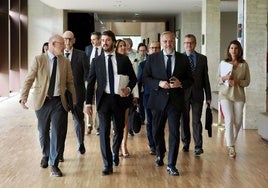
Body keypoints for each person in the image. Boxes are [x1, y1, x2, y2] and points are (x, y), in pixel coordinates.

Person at [19, 34, 76, 177]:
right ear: (52, 44)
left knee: (57, 131)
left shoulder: (65, 61)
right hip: (42, 101)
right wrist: (23, 96)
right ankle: (45, 154)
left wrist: (74, 101)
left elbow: (70, 82)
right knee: (43, 131)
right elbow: (29, 79)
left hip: (59, 101)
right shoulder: (39, 59)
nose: (64, 46)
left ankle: (54, 163)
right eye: (61, 44)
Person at [85, 30, 137, 175]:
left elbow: (133, 79)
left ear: (113, 42)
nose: (104, 43)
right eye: (102, 40)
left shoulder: (123, 59)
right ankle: (107, 164)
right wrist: (88, 103)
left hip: (120, 99)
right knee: (104, 132)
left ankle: (115, 152)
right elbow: (90, 82)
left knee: (119, 130)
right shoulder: (96, 61)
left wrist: (128, 88)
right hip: (103, 100)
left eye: (107, 40)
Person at [143, 31, 193, 176]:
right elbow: (145, 78)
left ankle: (171, 164)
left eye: (171, 41)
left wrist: (180, 83)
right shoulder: (152, 59)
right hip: (157, 101)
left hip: (175, 102)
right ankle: (160, 153)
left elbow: (191, 80)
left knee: (174, 133)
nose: (168, 44)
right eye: (165, 41)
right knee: (156, 131)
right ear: (161, 42)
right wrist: (158, 83)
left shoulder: (183, 59)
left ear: (174, 42)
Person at [217, 40, 250, 158]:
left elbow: (247, 82)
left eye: (236, 48)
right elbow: (218, 80)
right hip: (225, 95)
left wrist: (237, 82)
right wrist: (225, 78)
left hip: (239, 95)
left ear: (239, 50)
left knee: (238, 121)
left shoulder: (244, 64)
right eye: (231, 48)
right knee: (229, 119)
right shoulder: (223, 63)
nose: (233, 50)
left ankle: (231, 142)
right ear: (228, 50)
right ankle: (231, 146)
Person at [181, 34, 212, 155]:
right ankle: (186, 143)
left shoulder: (202, 59)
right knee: (184, 120)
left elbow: (206, 78)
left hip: (198, 94)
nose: (189, 45)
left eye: (191, 43)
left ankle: (198, 146)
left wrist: (208, 96)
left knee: (196, 120)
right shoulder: (180, 58)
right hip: (183, 94)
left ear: (195, 44)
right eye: (186, 43)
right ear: (184, 44)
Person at [61, 30, 89, 158]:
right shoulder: (58, 55)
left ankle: (80, 143)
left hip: (77, 93)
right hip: (60, 95)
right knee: (59, 122)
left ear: (74, 40)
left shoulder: (82, 55)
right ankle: (59, 151)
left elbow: (87, 74)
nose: (67, 42)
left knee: (78, 119)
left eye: (70, 39)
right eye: (65, 39)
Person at [115, 39, 138, 157]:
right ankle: (116, 145)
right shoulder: (112, 61)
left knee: (125, 121)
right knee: (115, 123)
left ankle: (124, 145)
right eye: (120, 46)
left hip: (126, 95)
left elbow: (134, 79)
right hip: (113, 96)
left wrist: (135, 96)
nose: (123, 47)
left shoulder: (129, 61)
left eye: (124, 46)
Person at [137, 41, 160, 155]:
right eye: (152, 48)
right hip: (148, 97)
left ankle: (159, 144)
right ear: (149, 50)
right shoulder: (142, 65)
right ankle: (152, 145)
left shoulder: (165, 63)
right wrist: (136, 98)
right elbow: (139, 82)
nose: (154, 50)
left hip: (162, 97)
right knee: (150, 122)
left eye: (157, 48)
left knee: (159, 122)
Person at [85, 31, 102, 135]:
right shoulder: (88, 49)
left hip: (100, 81)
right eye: (91, 39)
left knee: (99, 103)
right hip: (89, 80)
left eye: (94, 39)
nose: (92, 41)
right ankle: (89, 125)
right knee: (88, 102)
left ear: (100, 39)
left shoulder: (104, 50)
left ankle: (98, 126)